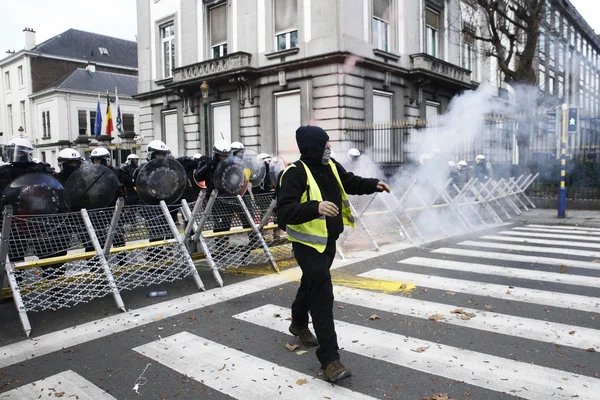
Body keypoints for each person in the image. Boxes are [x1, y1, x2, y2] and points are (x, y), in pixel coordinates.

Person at [277, 125, 390, 382]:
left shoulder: (331, 166)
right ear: (314, 145)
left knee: (311, 283)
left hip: (328, 240)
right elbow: (284, 212)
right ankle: (329, 359)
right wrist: (314, 207)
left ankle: (298, 322)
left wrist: (374, 184)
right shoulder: (294, 173)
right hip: (307, 245)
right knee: (322, 294)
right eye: (326, 143)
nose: (330, 147)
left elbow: (349, 181)